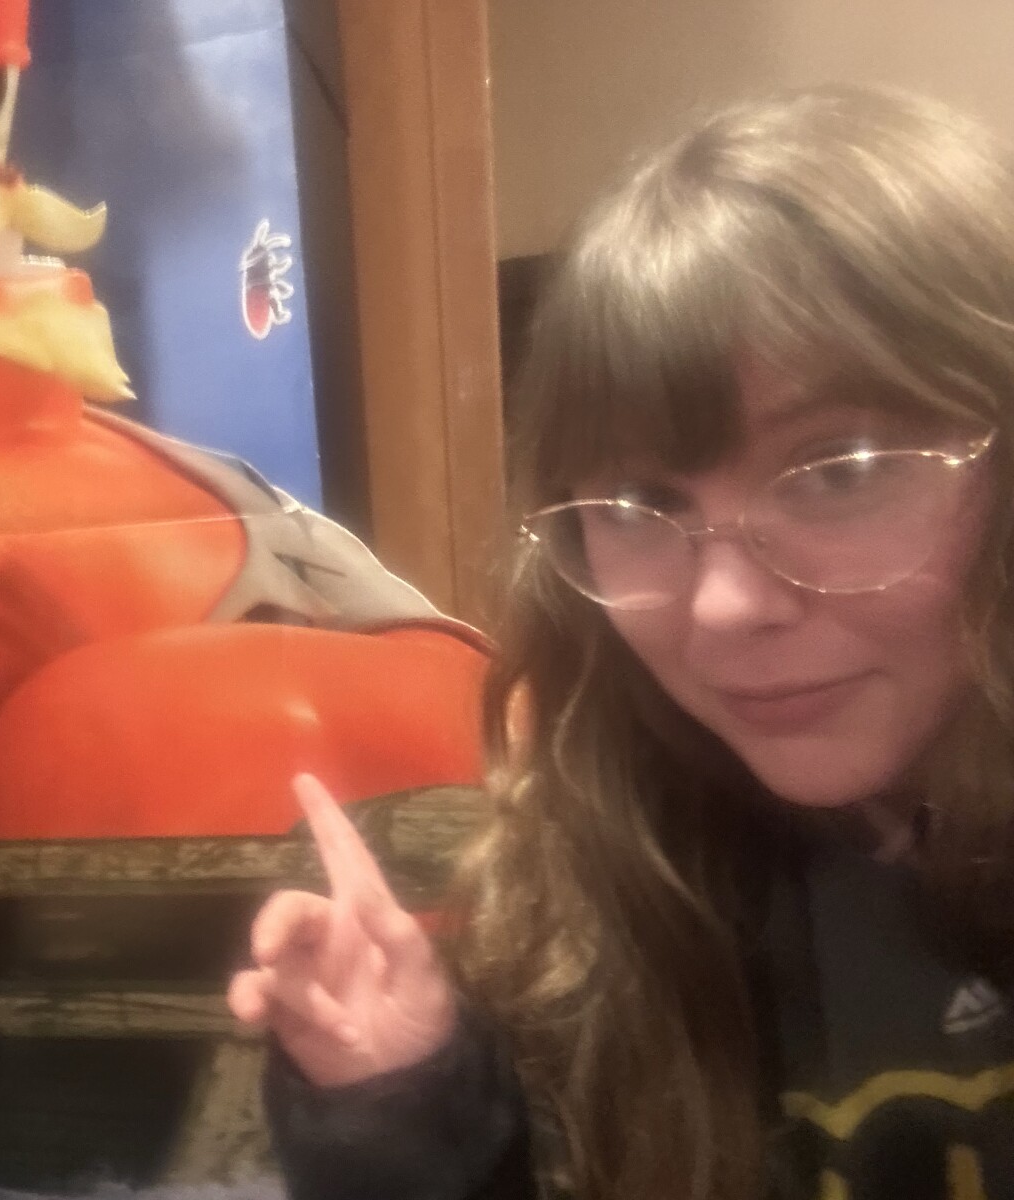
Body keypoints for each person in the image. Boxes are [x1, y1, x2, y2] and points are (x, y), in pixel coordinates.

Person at [228, 85, 1014, 1200]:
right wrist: (403, 1114)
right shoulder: (602, 895)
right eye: (641, 501)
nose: (722, 608)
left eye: (839, 469)